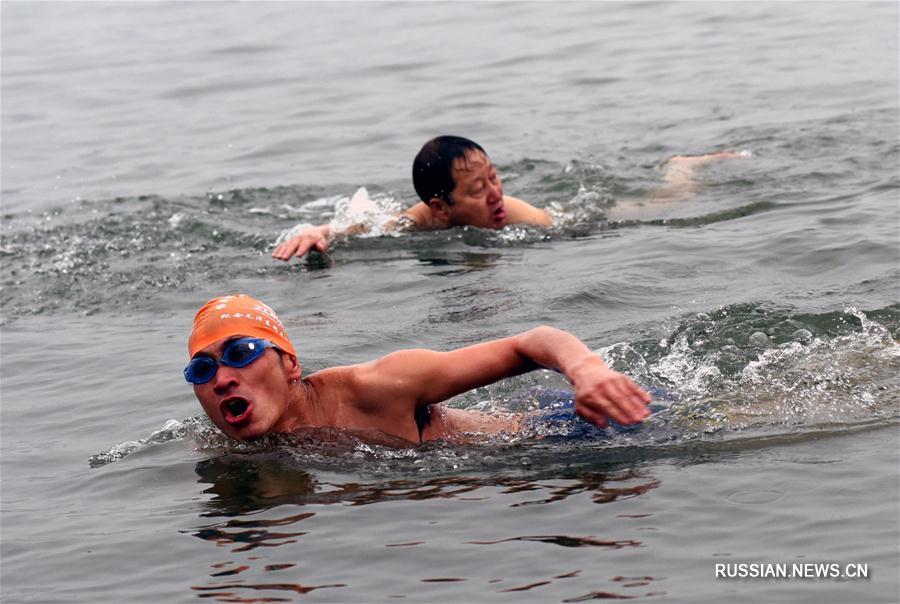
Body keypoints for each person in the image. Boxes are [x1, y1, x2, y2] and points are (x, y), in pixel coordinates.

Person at [185, 294, 652, 444]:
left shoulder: (377, 387)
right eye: (201, 370)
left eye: (242, 352)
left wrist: (588, 371)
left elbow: (531, 342)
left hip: (575, 425)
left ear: (289, 364)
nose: (222, 377)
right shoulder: (230, 458)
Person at [271, 135, 746, 261]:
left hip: (563, 219)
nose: (496, 194)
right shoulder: (414, 223)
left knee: (664, 204)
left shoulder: (518, 215)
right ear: (441, 207)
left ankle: (681, 166)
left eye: (495, 178)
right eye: (478, 190)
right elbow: (349, 229)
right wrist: (316, 233)